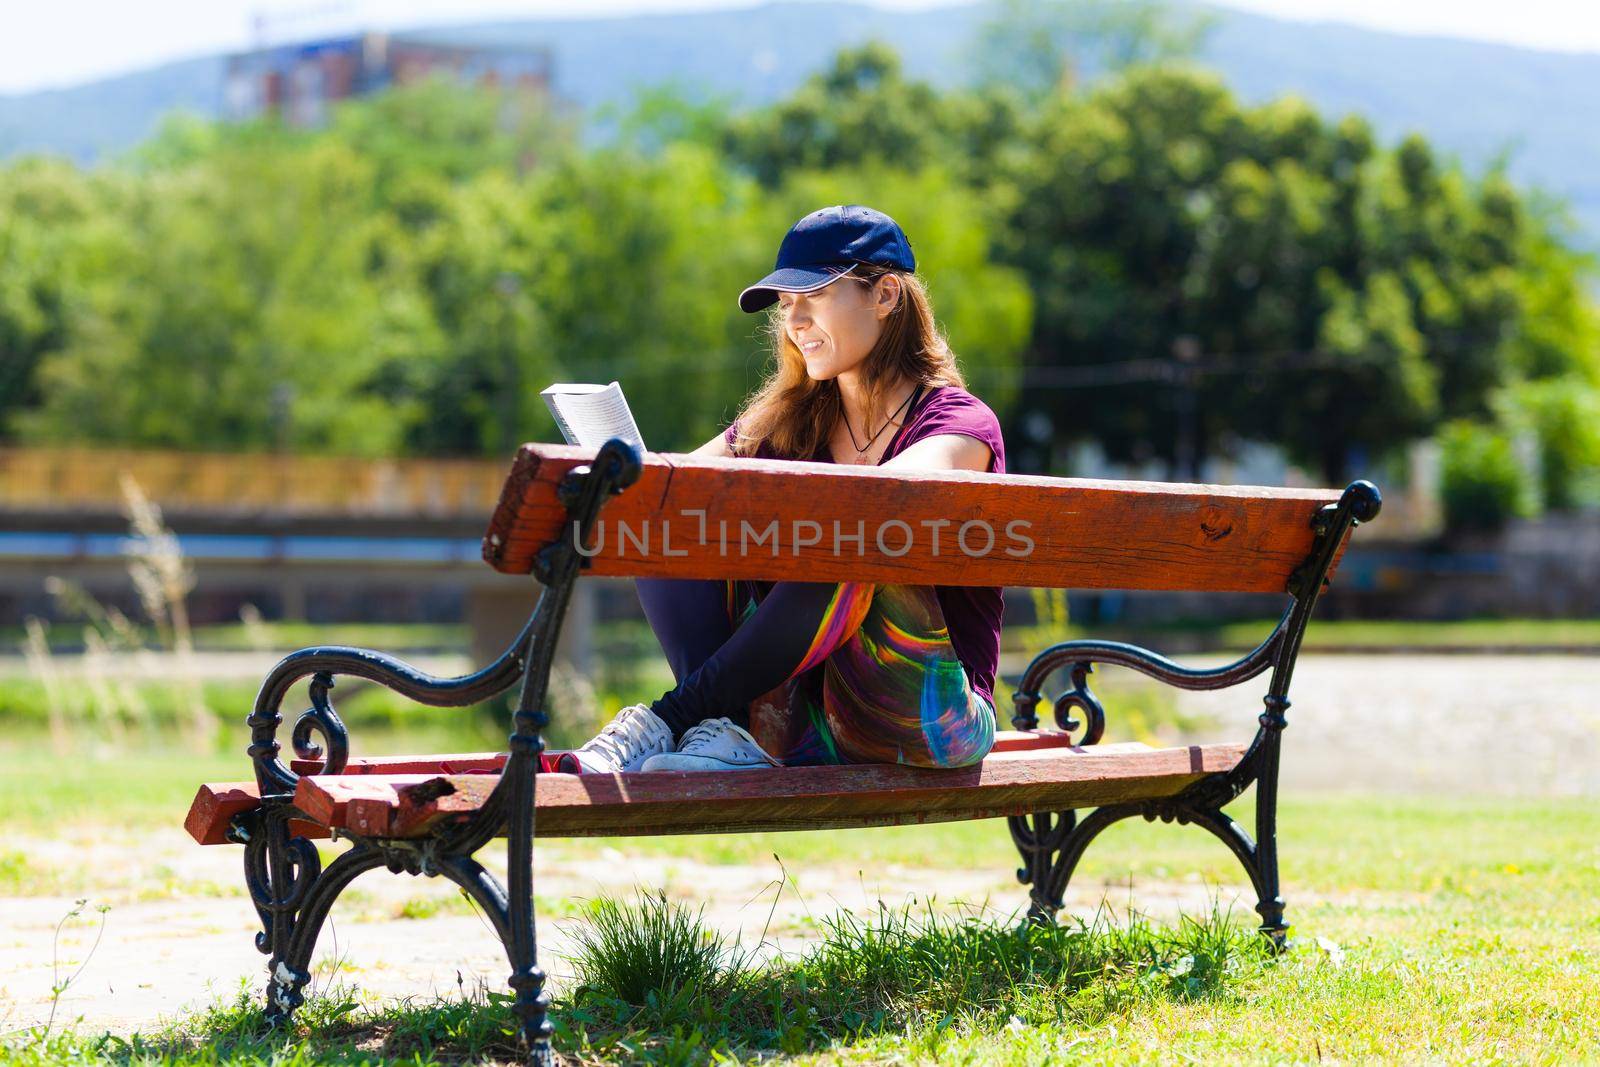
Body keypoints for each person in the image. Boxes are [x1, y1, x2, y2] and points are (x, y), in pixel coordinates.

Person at [565, 204, 1006, 774]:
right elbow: (676, 485)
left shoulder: (959, 423)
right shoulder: (787, 420)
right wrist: (627, 478)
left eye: (814, 295)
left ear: (887, 295)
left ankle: (677, 718)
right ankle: (726, 731)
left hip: (934, 721)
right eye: (785, 303)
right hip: (807, 720)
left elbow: (889, 498)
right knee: (663, 514)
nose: (794, 321)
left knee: (856, 532)